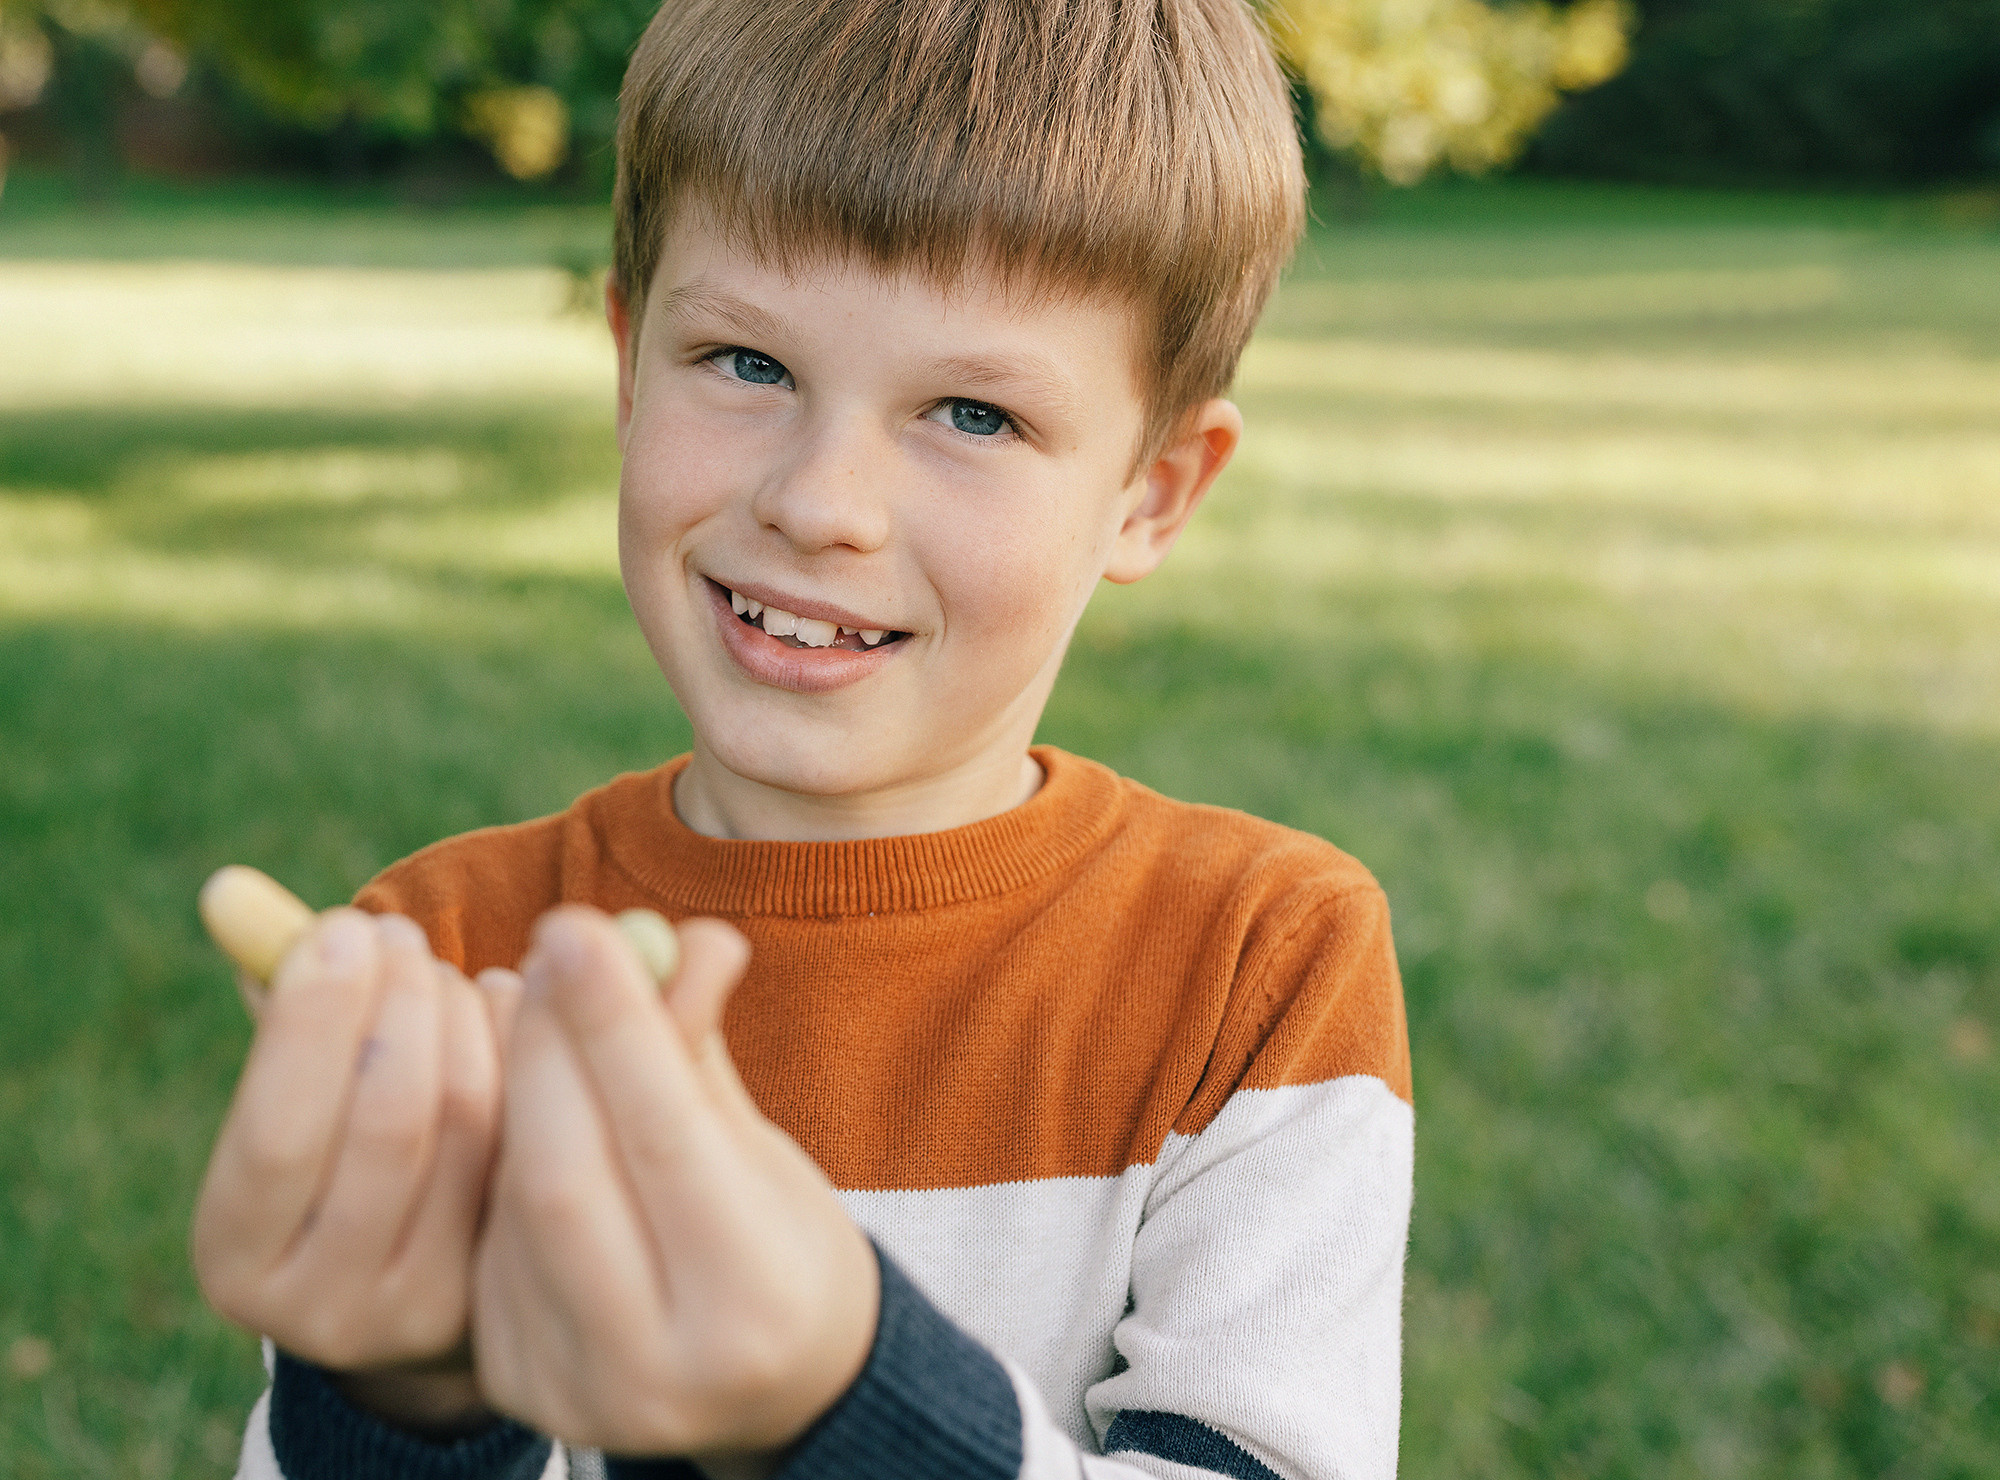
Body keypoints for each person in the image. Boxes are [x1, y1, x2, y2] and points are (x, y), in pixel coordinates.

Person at [191, 1, 1415, 1476]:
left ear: (1153, 492)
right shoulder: (440, 959)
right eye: (749, 366)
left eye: (970, 412)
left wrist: (844, 1393)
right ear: (630, 360)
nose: (822, 500)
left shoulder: (1256, 963)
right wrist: (408, 1400)